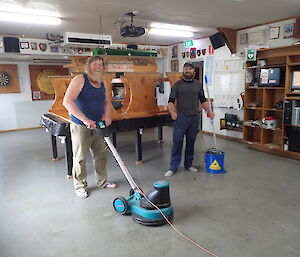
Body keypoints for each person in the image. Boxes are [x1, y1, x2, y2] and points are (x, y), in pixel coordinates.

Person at [63, 56, 117, 198]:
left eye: (100, 64)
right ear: (88, 67)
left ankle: (102, 181)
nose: (98, 66)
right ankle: (80, 186)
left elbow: (106, 102)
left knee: (100, 155)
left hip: (98, 124)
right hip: (81, 125)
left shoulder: (103, 83)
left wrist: (106, 116)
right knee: (80, 157)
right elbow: (67, 102)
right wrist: (85, 119)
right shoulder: (80, 80)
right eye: (95, 64)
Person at [165, 62, 215, 177]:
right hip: (181, 118)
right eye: (186, 69)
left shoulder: (198, 85)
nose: (188, 71)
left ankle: (188, 164)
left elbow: (203, 100)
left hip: (194, 117)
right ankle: (173, 167)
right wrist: (172, 112)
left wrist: (209, 111)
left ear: (194, 72)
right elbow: (171, 101)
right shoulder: (177, 85)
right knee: (177, 142)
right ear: (183, 71)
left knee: (191, 142)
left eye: (190, 69)